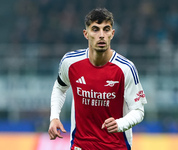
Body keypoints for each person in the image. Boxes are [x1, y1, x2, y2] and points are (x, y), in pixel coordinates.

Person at [48, 8, 147, 150]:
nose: (101, 35)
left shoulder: (125, 68)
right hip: (81, 145)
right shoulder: (70, 62)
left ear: (112, 34)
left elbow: (138, 111)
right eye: (95, 29)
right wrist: (54, 117)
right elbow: (59, 88)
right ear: (86, 34)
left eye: (106, 29)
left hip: (116, 146)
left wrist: (120, 124)